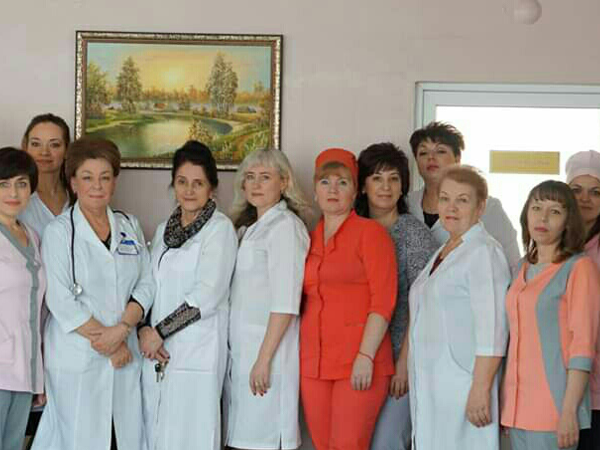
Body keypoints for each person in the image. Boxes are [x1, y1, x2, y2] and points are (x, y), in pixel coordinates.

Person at [31, 138, 154, 450]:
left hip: (124, 353)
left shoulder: (129, 225)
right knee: (78, 439)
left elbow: (146, 284)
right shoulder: (59, 232)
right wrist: (110, 345)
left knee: (121, 438)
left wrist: (122, 329)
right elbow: (61, 300)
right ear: (73, 183)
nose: (97, 186)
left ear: (114, 181)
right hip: (79, 356)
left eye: (105, 177)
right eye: (87, 177)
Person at [137, 141, 237, 450]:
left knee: (191, 434)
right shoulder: (164, 230)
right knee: (156, 432)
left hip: (197, 350)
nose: (189, 190)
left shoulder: (219, 229)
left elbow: (207, 294)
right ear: (173, 184)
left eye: (198, 183)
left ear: (211, 188)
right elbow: (148, 283)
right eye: (182, 182)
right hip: (157, 351)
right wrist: (143, 329)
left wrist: (159, 332)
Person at [408, 165, 511, 450]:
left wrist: (481, 388)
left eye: (462, 200)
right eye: (445, 198)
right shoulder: (446, 250)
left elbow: (493, 328)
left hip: (464, 383)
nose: (451, 207)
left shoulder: (484, 251)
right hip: (434, 381)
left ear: (480, 207)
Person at [301, 148, 398, 450]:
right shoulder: (307, 238)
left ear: (355, 192)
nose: (333, 190)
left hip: (359, 361)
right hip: (314, 363)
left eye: (342, 182)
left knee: (347, 444)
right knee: (322, 444)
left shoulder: (371, 234)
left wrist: (366, 356)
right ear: (315, 190)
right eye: (325, 182)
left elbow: (383, 301)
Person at [502, 180, 600, 450]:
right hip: (516, 408)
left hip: (554, 410)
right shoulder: (520, 267)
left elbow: (583, 347)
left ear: (568, 221)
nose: (542, 218)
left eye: (555, 211)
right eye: (536, 208)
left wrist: (569, 412)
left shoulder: (580, 268)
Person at [225, 148, 311, 450]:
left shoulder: (285, 227)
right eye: (250, 177)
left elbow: (286, 303)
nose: (256, 184)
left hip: (268, 355)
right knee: (243, 439)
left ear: (284, 182)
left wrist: (264, 360)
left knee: (263, 440)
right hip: (244, 351)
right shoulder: (250, 229)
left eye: (265, 177)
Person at [355, 143, 437, 450]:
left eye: (394, 179)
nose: (386, 187)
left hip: (399, 359)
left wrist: (404, 364)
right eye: (377, 178)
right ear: (363, 185)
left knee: (386, 441)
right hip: (359, 358)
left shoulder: (414, 235)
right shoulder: (352, 229)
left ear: (403, 186)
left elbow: (423, 306)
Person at [407, 121, 521, 271]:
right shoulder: (407, 204)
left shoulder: (487, 206)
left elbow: (512, 263)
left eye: (440, 151)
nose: (431, 158)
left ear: (457, 158)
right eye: (423, 153)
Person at [0, 148, 47, 450]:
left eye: (21, 183)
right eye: (3, 184)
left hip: (23, 372)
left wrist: (37, 377)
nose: (13, 193)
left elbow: (37, 312)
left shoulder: (32, 235)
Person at [566, 150, 600, 450]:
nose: (585, 199)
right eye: (576, 190)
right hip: (558, 385)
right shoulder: (550, 245)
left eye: (595, 192)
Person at [20, 114, 71, 238]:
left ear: (67, 150)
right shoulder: (13, 197)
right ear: (25, 148)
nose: (44, 152)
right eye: (36, 144)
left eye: (54, 145)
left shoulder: (79, 196)